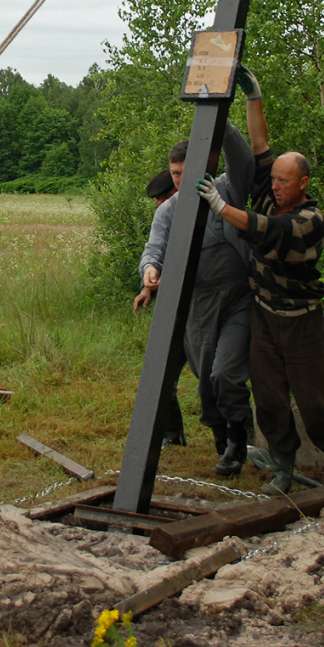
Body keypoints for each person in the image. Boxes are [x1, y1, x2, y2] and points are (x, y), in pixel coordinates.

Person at [137, 73, 271, 477]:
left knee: (226, 372)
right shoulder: (168, 211)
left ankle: (238, 438)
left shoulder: (228, 190)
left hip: (236, 298)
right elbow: (153, 250)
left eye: (186, 172)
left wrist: (219, 119)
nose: (180, 181)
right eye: (175, 175)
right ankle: (226, 439)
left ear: (205, 164)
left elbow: (245, 160)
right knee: (206, 382)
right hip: (196, 303)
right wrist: (150, 272)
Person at [197, 143, 324, 494]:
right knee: (268, 398)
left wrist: (220, 207)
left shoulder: (310, 221)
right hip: (263, 315)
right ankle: (283, 468)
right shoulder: (269, 196)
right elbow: (260, 147)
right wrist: (253, 95)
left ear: (303, 183)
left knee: (314, 400)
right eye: (274, 179)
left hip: (301, 321)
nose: (274, 185)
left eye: (283, 180)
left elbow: (267, 230)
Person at [134, 148, 188, 447]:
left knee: (218, 379)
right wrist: (147, 287)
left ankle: (241, 439)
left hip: (204, 308)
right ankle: (171, 433)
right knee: (159, 375)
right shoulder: (164, 219)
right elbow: (155, 256)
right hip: (172, 311)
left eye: (163, 197)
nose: (160, 205)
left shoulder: (199, 213)